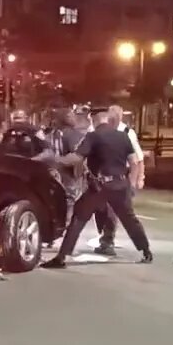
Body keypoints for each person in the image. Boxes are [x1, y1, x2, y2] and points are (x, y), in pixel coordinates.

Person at [42, 108, 153, 268]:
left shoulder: (93, 136)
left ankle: (61, 257)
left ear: (94, 119)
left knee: (79, 217)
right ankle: (146, 251)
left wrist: (56, 161)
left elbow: (76, 158)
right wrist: (131, 183)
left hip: (100, 187)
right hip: (120, 185)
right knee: (129, 219)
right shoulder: (123, 135)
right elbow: (134, 162)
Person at [93, 104, 145, 256]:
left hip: (121, 176)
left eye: (117, 116)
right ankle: (106, 238)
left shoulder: (127, 133)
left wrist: (136, 180)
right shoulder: (100, 131)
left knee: (115, 212)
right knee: (102, 210)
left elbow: (137, 159)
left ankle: (108, 241)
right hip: (102, 176)